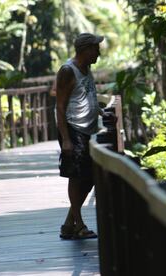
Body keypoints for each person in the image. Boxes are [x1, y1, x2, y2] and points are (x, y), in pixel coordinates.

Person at [56, 33, 104, 239]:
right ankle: (78, 225)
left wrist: (101, 111)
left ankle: (69, 223)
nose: (99, 53)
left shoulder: (87, 68)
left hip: (89, 130)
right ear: (85, 49)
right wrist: (66, 139)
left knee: (90, 176)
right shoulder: (68, 70)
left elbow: (86, 95)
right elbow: (60, 105)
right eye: (95, 48)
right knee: (76, 177)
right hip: (73, 129)